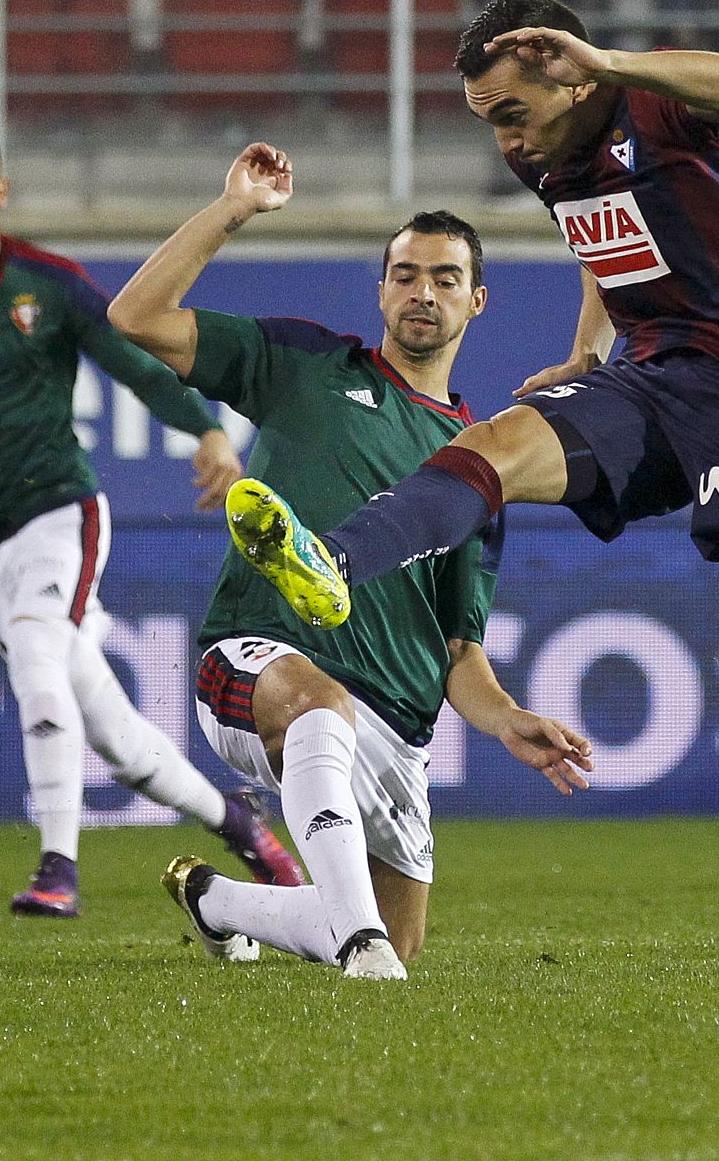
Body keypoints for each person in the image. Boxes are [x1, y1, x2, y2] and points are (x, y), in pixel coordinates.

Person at [227, 0, 719, 985]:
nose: (499, 134)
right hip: (656, 370)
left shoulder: (663, 106)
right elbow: (608, 240)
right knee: (496, 443)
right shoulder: (536, 150)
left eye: (508, 108)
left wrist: (614, 60)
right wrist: (585, 351)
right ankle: (332, 562)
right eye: (485, 115)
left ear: (568, 70)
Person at [108, 143, 592, 979]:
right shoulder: (307, 367)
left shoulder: (481, 461)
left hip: (396, 729)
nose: (422, 292)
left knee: (403, 929)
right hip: (260, 665)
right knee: (318, 712)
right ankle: (360, 951)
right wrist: (232, 209)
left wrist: (506, 715)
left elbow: (456, 649)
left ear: (476, 301)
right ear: (381, 290)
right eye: (405, 274)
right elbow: (135, 317)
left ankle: (217, 900)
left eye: (444, 278)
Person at [0, 115, 303, 919]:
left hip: (59, 509)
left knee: (37, 657)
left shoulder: (47, 282)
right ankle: (243, 825)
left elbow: (138, 364)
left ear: (1, 191)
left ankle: (57, 866)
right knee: (115, 736)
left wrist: (209, 427)